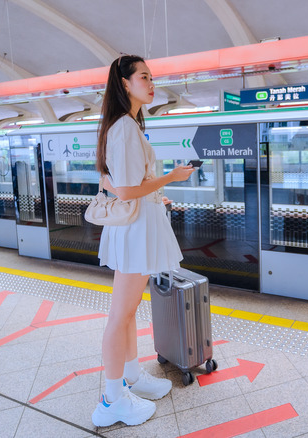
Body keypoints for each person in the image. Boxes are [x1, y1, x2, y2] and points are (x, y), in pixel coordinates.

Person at [91, 55, 195, 428]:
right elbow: (126, 188)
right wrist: (170, 178)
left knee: (129, 311)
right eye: (144, 77)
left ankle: (131, 376)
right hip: (135, 233)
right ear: (124, 83)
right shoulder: (124, 128)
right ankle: (111, 399)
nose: (152, 84)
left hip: (137, 227)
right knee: (120, 315)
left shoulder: (125, 126)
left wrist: (154, 195)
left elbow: (116, 183)